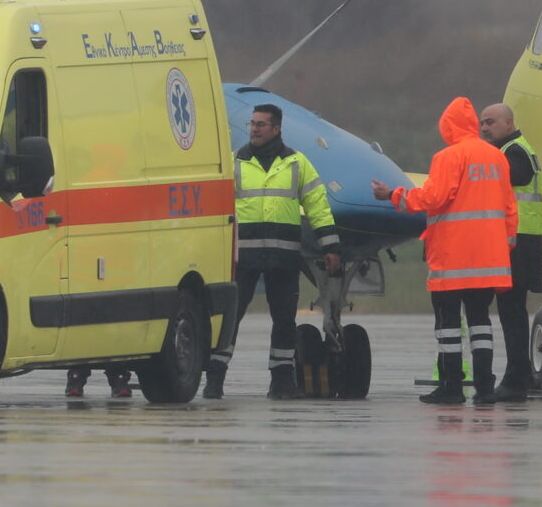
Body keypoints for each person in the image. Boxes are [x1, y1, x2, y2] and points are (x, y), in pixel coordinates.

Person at [373, 97, 518, 406]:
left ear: (448, 127)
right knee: (480, 322)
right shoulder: (496, 157)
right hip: (489, 261)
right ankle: (485, 388)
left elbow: (432, 198)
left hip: (454, 258)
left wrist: (393, 195)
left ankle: (451, 386)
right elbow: (509, 208)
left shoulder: (448, 156)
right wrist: (505, 245)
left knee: (448, 325)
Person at [208, 104, 344, 399]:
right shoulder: (235, 162)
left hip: (283, 257)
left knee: (284, 321)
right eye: (252, 124)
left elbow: (318, 207)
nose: (254, 129)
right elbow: (217, 207)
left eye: (261, 124)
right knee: (230, 318)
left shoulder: (297, 163)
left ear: (276, 128)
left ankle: (281, 381)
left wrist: (330, 246)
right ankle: (214, 379)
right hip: (242, 257)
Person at [476, 102, 542, 399]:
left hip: (517, 242)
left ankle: (516, 379)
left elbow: (518, 175)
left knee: (511, 312)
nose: (485, 128)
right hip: (518, 240)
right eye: (482, 123)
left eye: (490, 122)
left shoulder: (514, 151)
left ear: (508, 123)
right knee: (512, 312)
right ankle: (522, 374)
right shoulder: (511, 150)